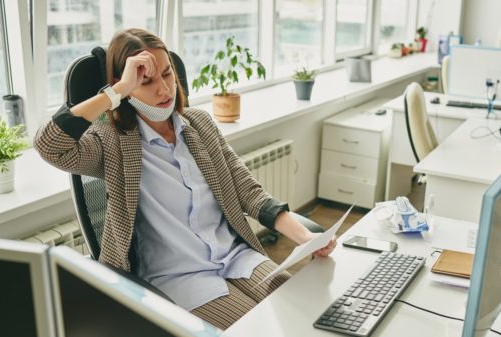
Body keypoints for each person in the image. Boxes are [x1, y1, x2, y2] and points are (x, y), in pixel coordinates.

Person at [34, 28, 336, 330]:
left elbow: (249, 192)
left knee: (307, 314)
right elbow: (49, 145)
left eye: (167, 74)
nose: (164, 90)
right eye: (146, 81)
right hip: (180, 278)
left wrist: (306, 238)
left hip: (237, 257)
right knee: (261, 330)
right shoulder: (112, 141)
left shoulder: (199, 124)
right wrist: (119, 89)